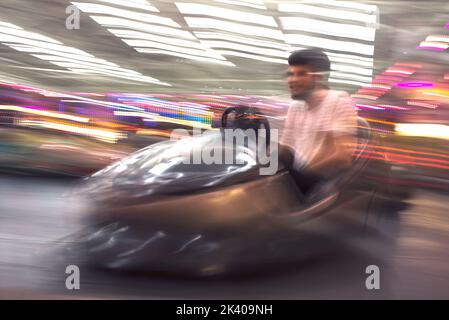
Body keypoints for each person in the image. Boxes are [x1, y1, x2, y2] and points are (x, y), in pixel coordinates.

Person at [279, 48, 358, 195]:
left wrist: (299, 177)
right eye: (290, 74)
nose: (292, 80)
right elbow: (285, 148)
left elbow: (341, 157)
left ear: (319, 77)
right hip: (296, 180)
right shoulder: (295, 106)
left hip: (322, 185)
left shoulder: (340, 101)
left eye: (302, 74)